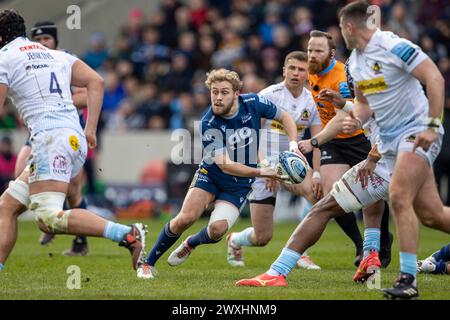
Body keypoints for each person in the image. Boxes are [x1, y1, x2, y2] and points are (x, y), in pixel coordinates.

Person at [0, 10, 146, 273]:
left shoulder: (4, 57)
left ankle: (128, 234)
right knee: (8, 206)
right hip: (71, 137)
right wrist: (90, 130)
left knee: (48, 217)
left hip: (50, 140)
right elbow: (96, 81)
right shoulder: (58, 55)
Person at [136, 68, 303, 279]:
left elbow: (285, 117)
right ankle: (147, 263)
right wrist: (263, 171)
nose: (218, 97)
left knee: (217, 230)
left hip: (239, 184)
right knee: (185, 218)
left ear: (236, 94)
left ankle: (191, 243)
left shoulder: (253, 102)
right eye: (214, 92)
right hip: (212, 175)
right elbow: (226, 165)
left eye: (224, 92)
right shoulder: (208, 123)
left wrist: (294, 145)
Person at [339, 1, 450, 299]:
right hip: (390, 141)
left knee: (398, 195)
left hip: (417, 132)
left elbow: (435, 78)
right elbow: (364, 105)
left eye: (340, 28)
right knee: (432, 215)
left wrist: (432, 124)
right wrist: (354, 120)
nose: (341, 34)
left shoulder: (393, 45)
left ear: (350, 26)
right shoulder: (356, 61)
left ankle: (408, 280)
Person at [235, 98, 390, 287]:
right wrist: (343, 104)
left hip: (386, 163)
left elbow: (389, 122)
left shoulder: (375, 79)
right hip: (412, 157)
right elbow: (368, 111)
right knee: (415, 210)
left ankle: (277, 272)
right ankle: (372, 254)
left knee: (321, 209)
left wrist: (373, 157)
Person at [227, 51, 323, 270]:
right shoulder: (269, 95)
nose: (296, 73)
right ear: (284, 70)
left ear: (308, 74)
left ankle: (300, 252)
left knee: (317, 193)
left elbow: (317, 142)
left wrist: (317, 173)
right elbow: (251, 135)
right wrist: (263, 167)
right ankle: (234, 240)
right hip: (263, 166)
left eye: (301, 69)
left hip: (292, 166)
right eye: (292, 68)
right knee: (262, 237)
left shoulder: (312, 101)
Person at [13, 20, 91, 256]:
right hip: (40, 129)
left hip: (66, 130)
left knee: (74, 191)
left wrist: (58, 100)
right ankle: (49, 217)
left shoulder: (65, 59)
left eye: (46, 39)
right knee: (20, 173)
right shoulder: (30, 61)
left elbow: (88, 92)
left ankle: (80, 241)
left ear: (56, 40)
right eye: (37, 40)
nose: (42, 43)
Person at [307, 30, 373, 266]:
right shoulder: (310, 71)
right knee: (332, 193)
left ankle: (381, 241)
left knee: (372, 192)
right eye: (310, 50)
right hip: (333, 141)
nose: (312, 55)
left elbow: (339, 119)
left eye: (318, 51)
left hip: (357, 139)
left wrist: (314, 141)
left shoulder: (341, 76)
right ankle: (359, 244)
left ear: (332, 54)